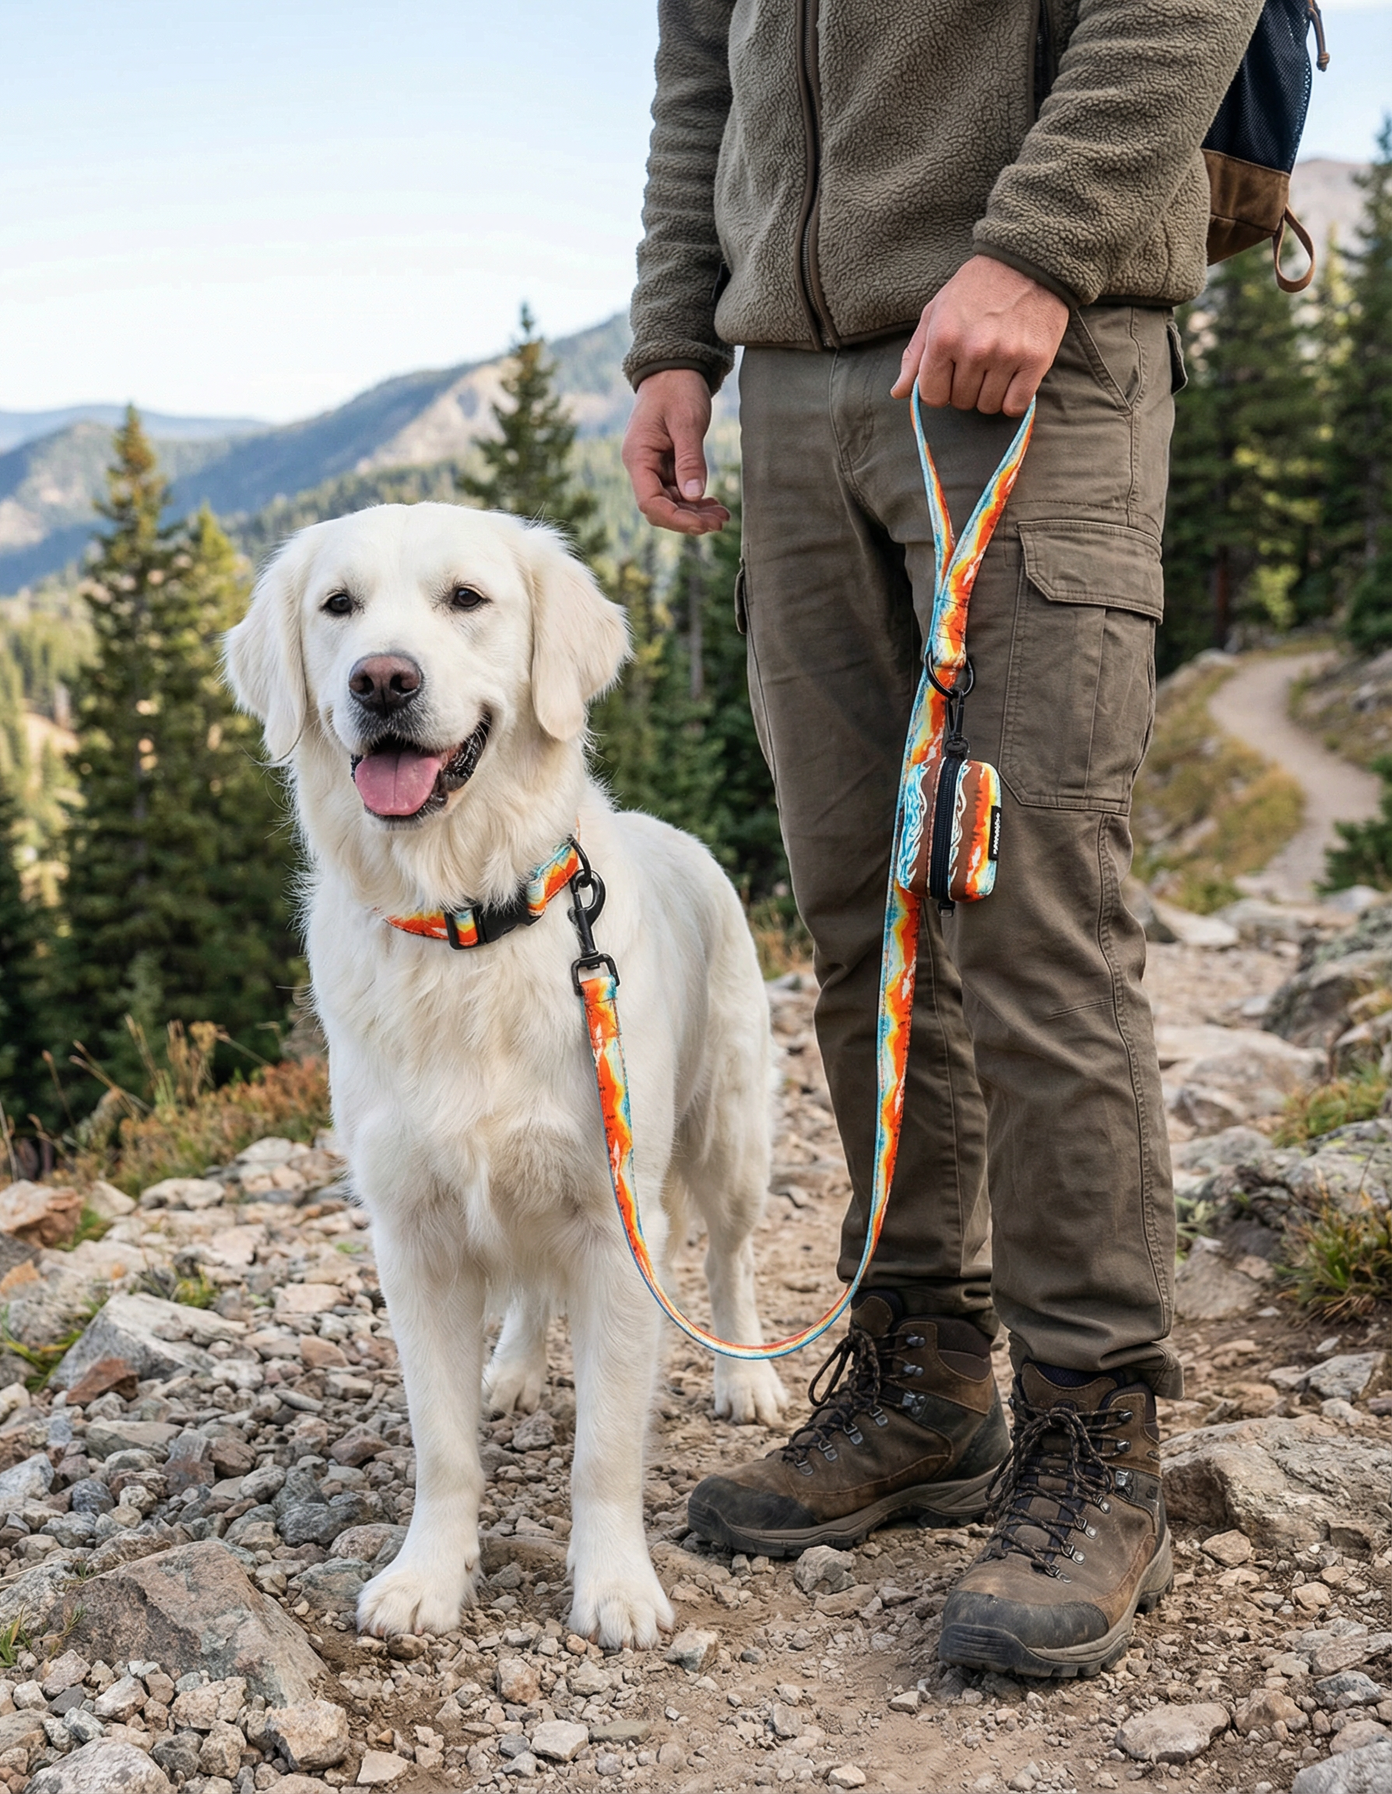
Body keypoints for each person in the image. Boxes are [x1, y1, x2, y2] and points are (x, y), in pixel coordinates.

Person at [620, 0, 1263, 1680]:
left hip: (1029, 350)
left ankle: (1094, 1430)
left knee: (1032, 902)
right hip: (794, 388)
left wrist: (1040, 247)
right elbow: (704, 62)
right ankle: (924, 1375)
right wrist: (673, 336)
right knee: (864, 915)